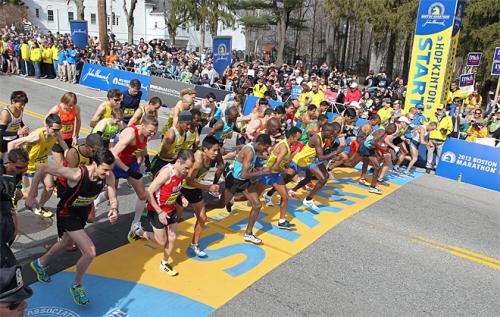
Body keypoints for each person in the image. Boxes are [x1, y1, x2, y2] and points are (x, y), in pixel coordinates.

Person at [26, 148, 119, 306]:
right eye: (104, 169)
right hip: (67, 213)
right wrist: (31, 194)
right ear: (94, 164)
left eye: (110, 170)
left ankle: (39, 263)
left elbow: (112, 193)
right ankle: (77, 285)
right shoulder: (77, 174)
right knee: (90, 252)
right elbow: (42, 168)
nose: (107, 173)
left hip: (81, 213)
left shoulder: (108, 175)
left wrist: (114, 208)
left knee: (65, 243)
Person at [130, 150, 194, 276]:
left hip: (170, 209)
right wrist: (160, 212)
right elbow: (148, 192)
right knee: (162, 242)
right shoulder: (166, 173)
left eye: (189, 168)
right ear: (179, 162)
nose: (187, 172)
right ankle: (138, 231)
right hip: (156, 210)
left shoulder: (181, 173)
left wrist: (181, 197)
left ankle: (164, 263)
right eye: (186, 168)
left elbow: (174, 188)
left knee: (172, 237)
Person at [98, 115, 158, 229]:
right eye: (150, 131)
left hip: (131, 162)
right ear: (142, 126)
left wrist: (145, 159)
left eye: (154, 133)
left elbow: (141, 146)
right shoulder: (130, 133)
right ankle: (95, 203)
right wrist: (128, 170)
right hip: (117, 164)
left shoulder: (146, 134)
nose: (152, 135)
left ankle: (135, 223)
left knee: (142, 195)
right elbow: (113, 154)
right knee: (110, 194)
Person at [8, 114, 68, 218]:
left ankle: (40, 207)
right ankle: (15, 196)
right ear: (47, 127)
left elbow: (66, 148)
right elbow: (12, 144)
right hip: (30, 166)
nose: (57, 132)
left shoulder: (57, 134)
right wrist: (12, 163)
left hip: (43, 164)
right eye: (55, 129)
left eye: (59, 129)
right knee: (32, 194)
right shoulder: (36, 136)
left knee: (50, 187)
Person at [179, 136, 223, 257]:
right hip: (182, 189)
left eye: (217, 150)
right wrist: (208, 187)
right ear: (205, 149)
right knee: (176, 218)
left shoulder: (211, 156)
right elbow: (188, 181)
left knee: (203, 217)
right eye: (214, 150)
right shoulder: (198, 162)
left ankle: (195, 243)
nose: (216, 153)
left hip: (194, 189)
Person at [223, 134, 272, 244]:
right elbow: (244, 174)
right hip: (235, 180)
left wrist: (264, 158)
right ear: (259, 144)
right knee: (220, 204)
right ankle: (202, 208)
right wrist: (262, 172)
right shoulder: (250, 151)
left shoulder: (252, 147)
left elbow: (239, 148)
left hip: (243, 182)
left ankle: (248, 233)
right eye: (265, 147)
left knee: (257, 205)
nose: (266, 149)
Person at [260, 127, 303, 229]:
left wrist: (286, 166)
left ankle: (282, 221)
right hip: (268, 173)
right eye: (298, 138)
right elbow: (275, 166)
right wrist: (286, 171)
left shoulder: (286, 144)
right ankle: (232, 199)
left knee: (285, 196)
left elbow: (276, 159)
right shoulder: (284, 147)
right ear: (292, 137)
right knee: (251, 196)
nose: (299, 141)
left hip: (275, 174)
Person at [290, 123, 340, 210]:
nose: (332, 135)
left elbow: (310, 134)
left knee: (315, 177)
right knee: (323, 179)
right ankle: (308, 199)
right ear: (325, 131)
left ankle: (292, 190)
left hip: (310, 159)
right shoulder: (318, 138)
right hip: (303, 160)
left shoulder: (323, 137)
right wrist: (334, 153)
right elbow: (320, 157)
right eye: (331, 133)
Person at [0, 149, 29, 268]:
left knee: (11, 233)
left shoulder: (17, 172)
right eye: (19, 167)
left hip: (7, 205)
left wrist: (18, 190)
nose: (23, 170)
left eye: (25, 167)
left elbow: (17, 183)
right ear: (9, 163)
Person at [358, 123, 397, 194]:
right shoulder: (382, 132)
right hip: (367, 148)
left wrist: (377, 150)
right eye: (393, 131)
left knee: (366, 162)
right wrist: (382, 148)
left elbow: (373, 141)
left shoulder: (383, 132)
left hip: (367, 147)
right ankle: (372, 187)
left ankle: (362, 179)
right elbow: (372, 142)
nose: (393, 133)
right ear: (389, 129)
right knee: (377, 167)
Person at [150, 111, 191, 176]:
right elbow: (162, 154)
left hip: (172, 163)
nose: (189, 127)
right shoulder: (171, 134)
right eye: (187, 124)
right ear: (180, 122)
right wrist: (177, 156)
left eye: (190, 124)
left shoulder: (184, 133)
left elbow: (181, 150)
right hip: (161, 162)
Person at [0, 91, 29, 158]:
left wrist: (23, 127)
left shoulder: (20, 109)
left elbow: (19, 120)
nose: (23, 106)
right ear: (13, 101)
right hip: (3, 140)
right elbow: (1, 133)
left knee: (16, 159)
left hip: (14, 138)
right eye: (21, 104)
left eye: (24, 104)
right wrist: (18, 132)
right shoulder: (6, 114)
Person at [426, 105, 452, 173]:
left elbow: (450, 128)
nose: (439, 111)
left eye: (440, 109)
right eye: (438, 109)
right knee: (430, 153)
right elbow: (428, 125)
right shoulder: (433, 116)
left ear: (443, 110)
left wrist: (446, 132)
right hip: (432, 137)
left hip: (441, 139)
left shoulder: (448, 118)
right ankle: (428, 166)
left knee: (439, 154)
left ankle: (436, 166)